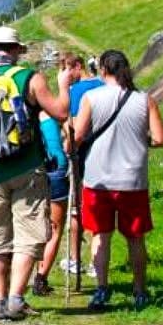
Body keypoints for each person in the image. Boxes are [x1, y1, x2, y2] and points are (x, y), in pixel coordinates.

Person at [0, 26, 71, 319]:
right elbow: (60, 112)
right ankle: (17, 299)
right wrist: (64, 84)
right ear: (17, 50)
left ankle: (0, 300)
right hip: (27, 167)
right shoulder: (28, 78)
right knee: (29, 232)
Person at [73, 49, 163, 312]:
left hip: (98, 179)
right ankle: (139, 291)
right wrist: (140, 140)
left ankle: (102, 288)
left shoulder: (91, 98)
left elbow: (77, 136)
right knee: (135, 238)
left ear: (103, 70)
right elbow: (160, 139)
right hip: (132, 180)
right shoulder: (144, 99)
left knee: (100, 235)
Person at [63, 53, 103, 279]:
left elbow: (72, 126)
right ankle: (96, 263)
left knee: (77, 210)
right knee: (97, 209)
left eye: (69, 69)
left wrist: (68, 147)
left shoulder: (74, 92)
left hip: (81, 155)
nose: (67, 75)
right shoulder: (103, 85)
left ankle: (75, 261)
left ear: (78, 66)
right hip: (104, 156)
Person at [31, 107, 70, 296]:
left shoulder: (22, 116)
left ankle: (17, 280)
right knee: (54, 229)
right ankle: (40, 279)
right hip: (57, 168)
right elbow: (71, 138)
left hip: (32, 172)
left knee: (31, 227)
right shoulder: (54, 113)